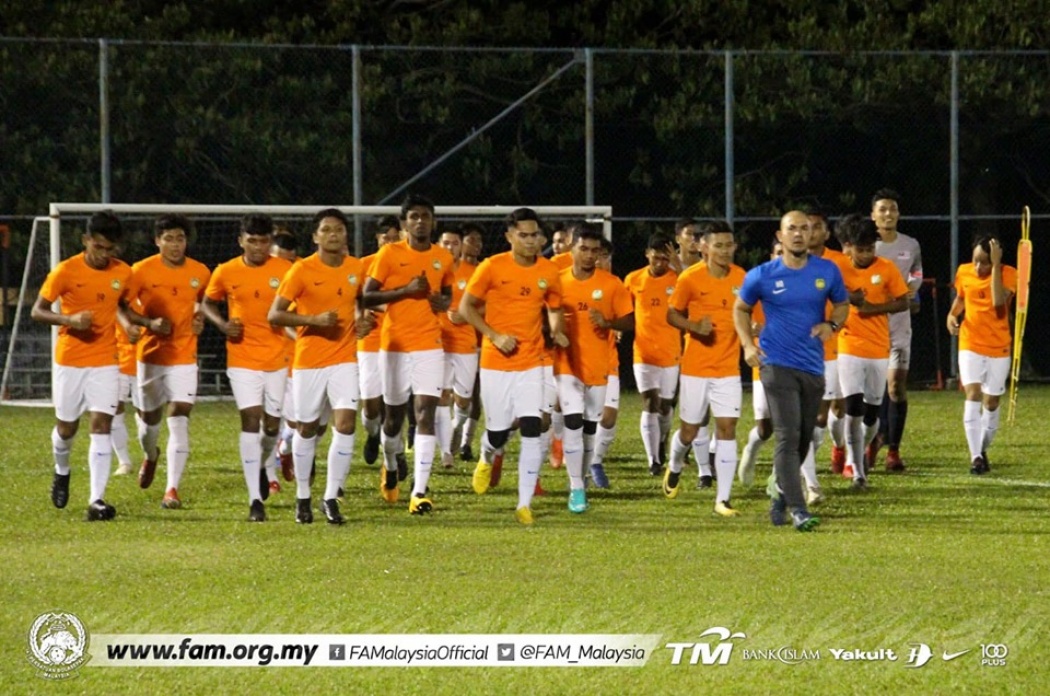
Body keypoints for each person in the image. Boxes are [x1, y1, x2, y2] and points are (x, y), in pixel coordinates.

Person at [733, 210, 849, 531]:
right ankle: (799, 509)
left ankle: (780, 491)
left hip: (813, 365)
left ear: (813, 234)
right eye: (792, 229)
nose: (799, 234)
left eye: (805, 228)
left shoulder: (827, 271)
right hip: (775, 364)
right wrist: (747, 345)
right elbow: (740, 308)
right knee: (787, 434)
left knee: (804, 438)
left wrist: (832, 324)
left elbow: (842, 303)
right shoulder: (762, 275)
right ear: (780, 236)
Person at [459, 207, 567, 524]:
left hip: (532, 361)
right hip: (496, 362)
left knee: (532, 427)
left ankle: (524, 503)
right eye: (524, 235)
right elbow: (466, 307)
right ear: (509, 236)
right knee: (499, 431)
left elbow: (554, 307)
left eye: (535, 235)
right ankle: (485, 454)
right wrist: (494, 335)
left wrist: (557, 329)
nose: (530, 241)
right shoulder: (492, 267)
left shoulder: (549, 272)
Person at [268, 208, 370, 524]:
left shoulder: (357, 268)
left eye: (338, 229)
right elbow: (275, 315)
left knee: (347, 424)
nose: (333, 234)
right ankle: (302, 497)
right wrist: (312, 320)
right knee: (307, 428)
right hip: (309, 361)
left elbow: (363, 302)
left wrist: (363, 321)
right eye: (326, 230)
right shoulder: (301, 270)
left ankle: (330, 497)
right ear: (316, 236)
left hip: (344, 360)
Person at [31, 211, 134, 521]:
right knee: (66, 429)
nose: (105, 255)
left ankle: (96, 500)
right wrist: (69, 320)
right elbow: (38, 311)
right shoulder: (65, 271)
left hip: (105, 359)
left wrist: (133, 324)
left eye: (110, 249)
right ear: (86, 241)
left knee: (101, 424)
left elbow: (123, 306)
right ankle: (62, 470)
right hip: (70, 360)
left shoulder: (123, 273)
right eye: (99, 247)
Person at [362, 194, 453, 515]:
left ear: (433, 221)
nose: (420, 221)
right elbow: (366, 295)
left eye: (425, 216)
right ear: (404, 224)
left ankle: (419, 491)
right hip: (394, 347)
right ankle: (389, 464)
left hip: (430, 345)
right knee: (393, 420)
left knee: (425, 414)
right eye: (413, 216)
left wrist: (443, 302)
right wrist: (404, 291)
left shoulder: (443, 257)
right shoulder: (389, 254)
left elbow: (448, 292)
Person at [201, 213, 293, 522]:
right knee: (250, 420)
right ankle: (255, 498)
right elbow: (207, 303)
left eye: (264, 241)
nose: (257, 247)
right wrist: (223, 324)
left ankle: (265, 464)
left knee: (271, 426)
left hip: (278, 358)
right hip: (241, 359)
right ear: (241, 240)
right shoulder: (226, 271)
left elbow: (299, 305)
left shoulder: (286, 270)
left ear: (271, 242)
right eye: (251, 241)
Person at [125, 214, 211, 510]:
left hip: (185, 357)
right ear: (157, 241)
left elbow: (203, 303)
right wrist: (146, 322)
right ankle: (150, 456)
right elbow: (122, 307)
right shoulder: (140, 271)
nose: (175, 245)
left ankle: (171, 489)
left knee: (180, 416)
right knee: (149, 424)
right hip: (150, 357)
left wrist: (199, 319)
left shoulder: (200, 271)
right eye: (169, 239)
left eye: (180, 238)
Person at [664, 220, 745, 517]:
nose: (725, 250)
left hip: (728, 369)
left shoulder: (742, 278)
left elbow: (750, 315)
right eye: (719, 245)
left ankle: (722, 499)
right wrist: (694, 327)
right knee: (689, 430)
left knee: (727, 428)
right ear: (704, 247)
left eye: (729, 245)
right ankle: (674, 466)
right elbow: (672, 314)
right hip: (696, 368)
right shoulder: (690, 278)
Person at [554, 227, 632, 510]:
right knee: (573, 421)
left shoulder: (611, 284)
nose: (589, 255)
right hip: (565, 364)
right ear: (571, 249)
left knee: (589, 429)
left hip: (598, 367)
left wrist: (608, 323)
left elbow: (630, 322)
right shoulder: (557, 281)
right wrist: (554, 327)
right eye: (583, 249)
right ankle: (576, 489)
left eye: (594, 251)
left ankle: (581, 476)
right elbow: (541, 315)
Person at [829, 214, 910, 488]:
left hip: (878, 348)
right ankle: (856, 469)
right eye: (861, 249)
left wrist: (872, 309)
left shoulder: (886, 268)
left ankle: (863, 448)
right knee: (853, 406)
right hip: (849, 345)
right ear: (848, 246)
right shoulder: (837, 268)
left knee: (873, 414)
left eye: (870, 248)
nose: (866, 254)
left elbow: (902, 302)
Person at [946, 236, 1017, 475]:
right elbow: (961, 299)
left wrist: (996, 267)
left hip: (998, 346)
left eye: (985, 262)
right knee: (973, 393)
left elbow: (998, 302)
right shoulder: (964, 272)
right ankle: (975, 457)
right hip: (970, 342)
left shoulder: (1009, 274)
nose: (978, 267)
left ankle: (981, 448)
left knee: (992, 402)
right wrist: (952, 315)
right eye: (976, 261)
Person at [870, 189, 923, 471]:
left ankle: (893, 449)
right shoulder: (867, 247)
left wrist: (913, 291)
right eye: (882, 209)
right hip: (871, 326)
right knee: (874, 389)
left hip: (900, 326)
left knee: (895, 386)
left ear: (898, 213)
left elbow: (916, 273)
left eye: (892, 209)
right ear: (873, 215)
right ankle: (874, 440)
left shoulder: (910, 245)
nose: (888, 214)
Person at [624, 233, 681, 476]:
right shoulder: (633, 279)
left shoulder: (678, 278)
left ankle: (661, 441)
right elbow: (626, 309)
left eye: (664, 259)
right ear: (647, 254)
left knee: (666, 407)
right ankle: (654, 461)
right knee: (650, 403)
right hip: (643, 352)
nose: (659, 263)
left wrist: (679, 268)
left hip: (671, 352)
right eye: (655, 257)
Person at [736, 238, 782, 489]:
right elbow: (740, 311)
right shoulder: (758, 281)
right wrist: (750, 334)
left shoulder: (805, 281)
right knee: (765, 427)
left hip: (794, 361)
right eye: (778, 252)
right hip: (765, 361)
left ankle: (779, 479)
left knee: (791, 426)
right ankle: (751, 450)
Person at [357, 215, 402, 469]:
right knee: (371, 405)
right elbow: (354, 300)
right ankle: (373, 434)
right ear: (377, 239)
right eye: (387, 238)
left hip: (399, 341)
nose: (391, 243)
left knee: (396, 404)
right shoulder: (364, 265)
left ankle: (395, 454)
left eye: (396, 238)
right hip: (372, 341)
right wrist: (361, 317)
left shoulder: (406, 264)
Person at [437, 226, 479, 469]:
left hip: (465, 345)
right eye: (445, 243)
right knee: (442, 396)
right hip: (437, 344)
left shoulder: (473, 272)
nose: (449, 247)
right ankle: (445, 451)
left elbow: (485, 306)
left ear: (461, 246)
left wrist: (466, 315)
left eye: (454, 243)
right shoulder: (432, 270)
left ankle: (456, 429)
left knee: (463, 401)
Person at [587, 237, 626, 487]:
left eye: (606, 257)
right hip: (576, 364)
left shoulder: (615, 286)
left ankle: (595, 461)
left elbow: (627, 319)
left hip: (607, 361)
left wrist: (614, 325)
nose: (602, 261)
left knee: (608, 417)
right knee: (578, 420)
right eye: (599, 256)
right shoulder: (573, 282)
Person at [454, 223, 485, 461]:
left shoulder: (485, 269)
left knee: (476, 393)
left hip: (481, 337)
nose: (476, 244)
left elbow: (492, 302)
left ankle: (466, 442)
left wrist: (472, 313)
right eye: (471, 239)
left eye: (478, 240)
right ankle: (448, 437)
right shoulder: (453, 269)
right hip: (453, 341)